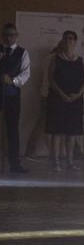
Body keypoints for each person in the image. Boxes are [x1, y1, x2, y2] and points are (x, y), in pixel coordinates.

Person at [46, 31, 84, 172]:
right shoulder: (56, 59)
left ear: (75, 42)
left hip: (75, 101)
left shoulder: (79, 60)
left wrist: (78, 95)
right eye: (66, 38)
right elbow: (51, 79)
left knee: (72, 132)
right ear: (63, 41)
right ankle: (56, 161)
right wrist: (62, 94)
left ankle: (70, 162)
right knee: (58, 131)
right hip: (58, 99)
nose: (69, 41)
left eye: (71, 38)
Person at [25, 40, 63, 163]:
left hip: (46, 94)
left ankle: (34, 150)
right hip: (51, 95)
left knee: (45, 123)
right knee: (43, 124)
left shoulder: (46, 59)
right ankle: (31, 150)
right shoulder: (56, 59)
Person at [0, 23, 30, 174]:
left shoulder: (22, 53)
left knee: (12, 130)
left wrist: (12, 81)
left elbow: (25, 74)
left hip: (12, 96)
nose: (8, 37)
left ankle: (14, 163)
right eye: (6, 34)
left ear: (16, 35)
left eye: (11, 34)